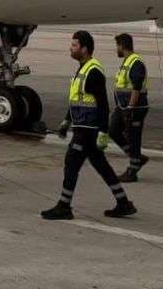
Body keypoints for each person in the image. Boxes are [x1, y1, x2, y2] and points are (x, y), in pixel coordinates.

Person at [41, 31, 136, 221]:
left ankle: (64, 206)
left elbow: (103, 104)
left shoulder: (93, 71)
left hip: (87, 129)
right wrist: (67, 120)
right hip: (82, 126)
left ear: (84, 49)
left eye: (74, 45)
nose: (71, 48)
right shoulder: (83, 68)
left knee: (71, 163)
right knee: (101, 166)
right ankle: (123, 202)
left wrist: (103, 131)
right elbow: (78, 98)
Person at [109, 33, 150, 182]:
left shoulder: (135, 62)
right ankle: (137, 158)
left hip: (134, 108)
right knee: (113, 130)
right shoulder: (127, 61)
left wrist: (131, 108)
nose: (116, 50)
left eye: (117, 46)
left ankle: (133, 170)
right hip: (123, 107)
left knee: (133, 137)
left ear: (121, 46)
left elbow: (137, 87)